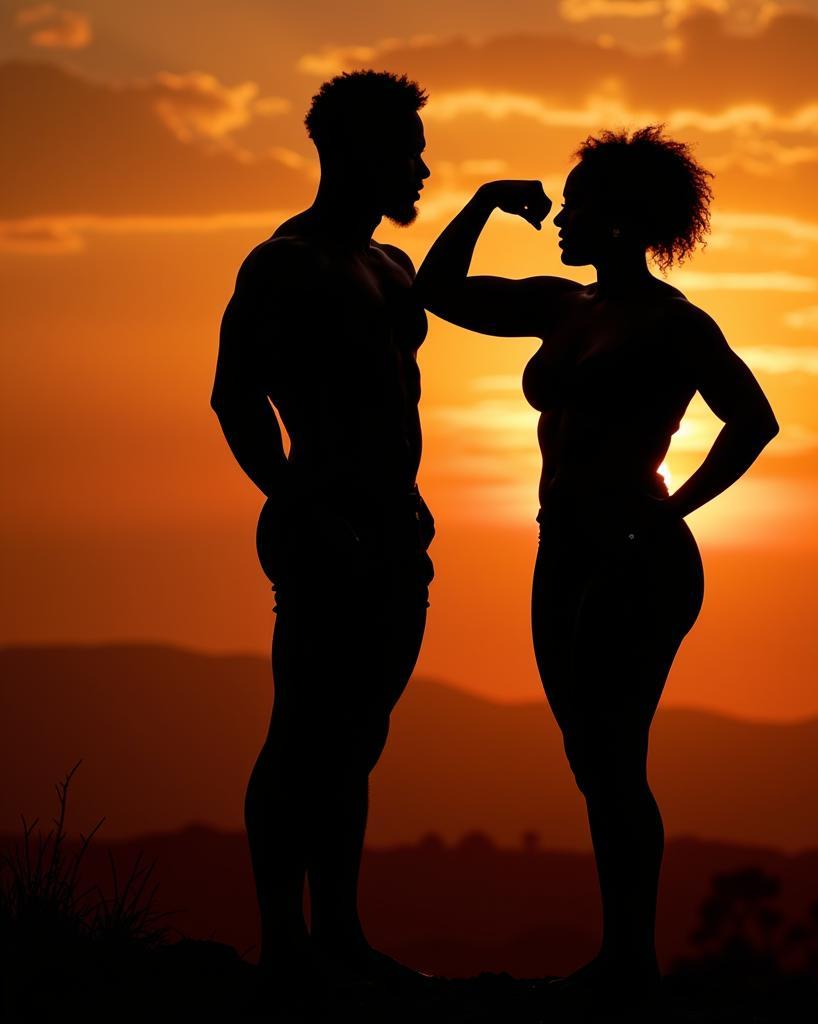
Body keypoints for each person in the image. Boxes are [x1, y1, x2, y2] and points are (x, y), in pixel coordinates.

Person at [416, 126, 779, 1003]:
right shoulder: (565, 307)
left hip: (636, 558)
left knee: (615, 754)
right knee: (592, 756)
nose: (563, 219)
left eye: (578, 206)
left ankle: (631, 964)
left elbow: (754, 421)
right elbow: (440, 291)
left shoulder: (676, 325)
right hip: (563, 551)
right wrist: (483, 202)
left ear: (621, 220)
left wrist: (669, 515)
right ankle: (624, 959)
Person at [211, 70, 435, 990]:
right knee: (302, 728)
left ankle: (337, 931)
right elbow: (235, 396)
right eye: (408, 151)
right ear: (354, 154)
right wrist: (299, 502)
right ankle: (282, 940)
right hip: (323, 529)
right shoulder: (284, 264)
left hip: (396, 534)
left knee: (358, 736)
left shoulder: (392, 268)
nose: (423, 168)